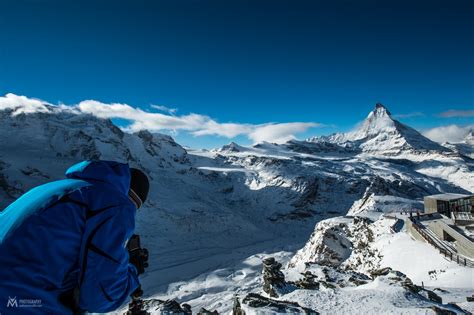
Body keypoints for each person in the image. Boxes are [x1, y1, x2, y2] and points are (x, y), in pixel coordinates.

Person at [0, 160, 149, 314]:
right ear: (132, 198)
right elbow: (100, 297)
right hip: (24, 302)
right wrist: (132, 269)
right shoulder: (115, 203)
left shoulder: (52, 188)